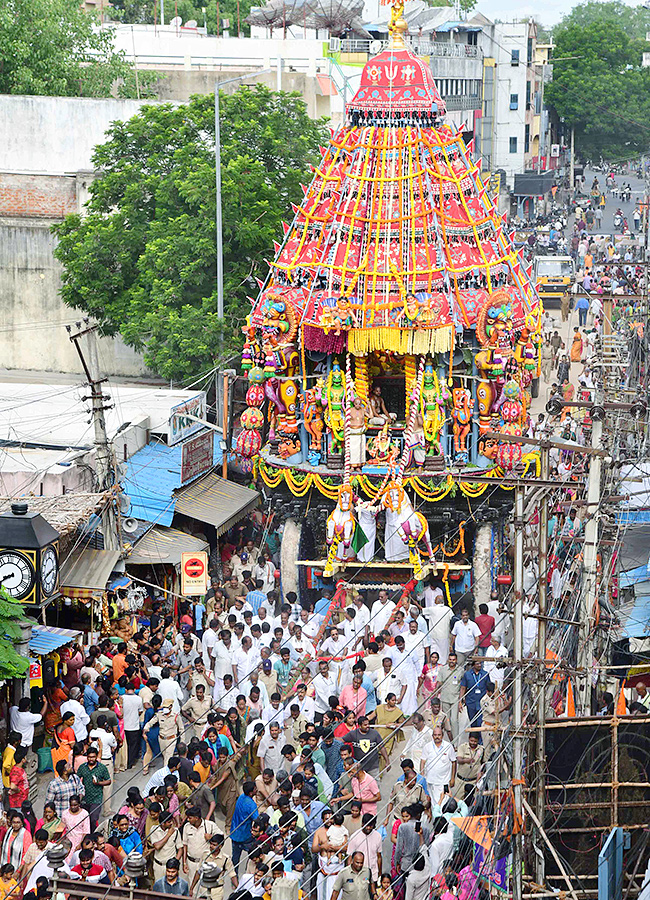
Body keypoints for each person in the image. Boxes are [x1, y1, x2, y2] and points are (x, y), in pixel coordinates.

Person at [76, 746, 110, 831]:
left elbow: (108, 781)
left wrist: (99, 783)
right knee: (83, 819)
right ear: (87, 757)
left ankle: (93, 835)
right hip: (84, 798)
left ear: (96, 757)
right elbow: (76, 779)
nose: (91, 759)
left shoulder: (102, 768)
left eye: (93, 757)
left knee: (93, 819)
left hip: (96, 798)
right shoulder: (82, 767)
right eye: (89, 757)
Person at [420, 727, 456, 804]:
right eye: (435, 735)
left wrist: (452, 778)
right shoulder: (427, 746)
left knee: (444, 802)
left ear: (442, 735)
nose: (437, 737)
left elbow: (454, 762)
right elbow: (422, 761)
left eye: (439, 735)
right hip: (431, 781)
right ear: (432, 736)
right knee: (432, 803)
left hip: (444, 781)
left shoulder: (448, 746)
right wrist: (422, 776)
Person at [230, 782, 258, 869]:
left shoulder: (241, 797)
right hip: (245, 835)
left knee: (235, 857)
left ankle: (234, 876)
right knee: (253, 854)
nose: (256, 789)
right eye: (255, 789)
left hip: (235, 833)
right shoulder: (251, 805)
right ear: (251, 793)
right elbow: (256, 819)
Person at [347, 815, 382, 882]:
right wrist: (350, 876)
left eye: (370, 826)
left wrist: (379, 875)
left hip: (373, 874)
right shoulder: (354, 836)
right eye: (366, 825)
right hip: (358, 875)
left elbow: (379, 857)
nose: (368, 828)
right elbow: (350, 858)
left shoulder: (378, 836)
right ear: (362, 823)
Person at [122, 682, 143, 769]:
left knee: (124, 746)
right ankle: (130, 763)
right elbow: (140, 711)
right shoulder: (138, 699)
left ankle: (124, 763)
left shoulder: (122, 698)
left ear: (126, 690)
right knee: (133, 746)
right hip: (134, 725)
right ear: (134, 690)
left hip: (124, 726)